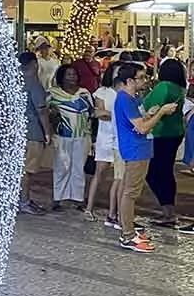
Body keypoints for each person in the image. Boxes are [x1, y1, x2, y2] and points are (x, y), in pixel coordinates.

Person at [113, 62, 178, 253]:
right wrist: (161, 113)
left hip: (141, 148)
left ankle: (128, 229)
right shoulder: (125, 99)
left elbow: (139, 122)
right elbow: (142, 128)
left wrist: (151, 113)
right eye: (141, 77)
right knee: (130, 192)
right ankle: (127, 234)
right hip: (135, 150)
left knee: (130, 191)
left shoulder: (134, 98)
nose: (144, 80)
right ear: (130, 80)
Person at [141, 58, 187, 227]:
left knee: (153, 172)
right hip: (175, 133)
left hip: (160, 133)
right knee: (166, 171)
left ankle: (167, 211)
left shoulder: (164, 86)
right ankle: (168, 211)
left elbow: (150, 108)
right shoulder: (179, 88)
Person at [48, 64, 94, 210]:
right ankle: (58, 198)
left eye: (74, 74)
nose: (72, 77)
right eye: (68, 74)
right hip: (62, 135)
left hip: (82, 135)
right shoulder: (53, 93)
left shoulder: (84, 93)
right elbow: (45, 112)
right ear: (61, 77)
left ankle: (78, 198)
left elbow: (92, 113)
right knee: (62, 166)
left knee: (78, 167)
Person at [87, 63, 122, 226]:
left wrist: (110, 114)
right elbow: (99, 113)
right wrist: (116, 115)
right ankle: (89, 208)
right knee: (100, 173)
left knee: (119, 177)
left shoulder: (126, 91)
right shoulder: (103, 91)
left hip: (120, 137)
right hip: (105, 136)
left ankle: (113, 212)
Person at [17, 52, 50, 215]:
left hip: (16, 131)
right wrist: (47, 132)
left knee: (20, 168)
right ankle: (24, 201)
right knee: (27, 170)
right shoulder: (33, 83)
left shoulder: (14, 82)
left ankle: (21, 200)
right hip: (32, 131)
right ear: (35, 64)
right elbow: (41, 110)